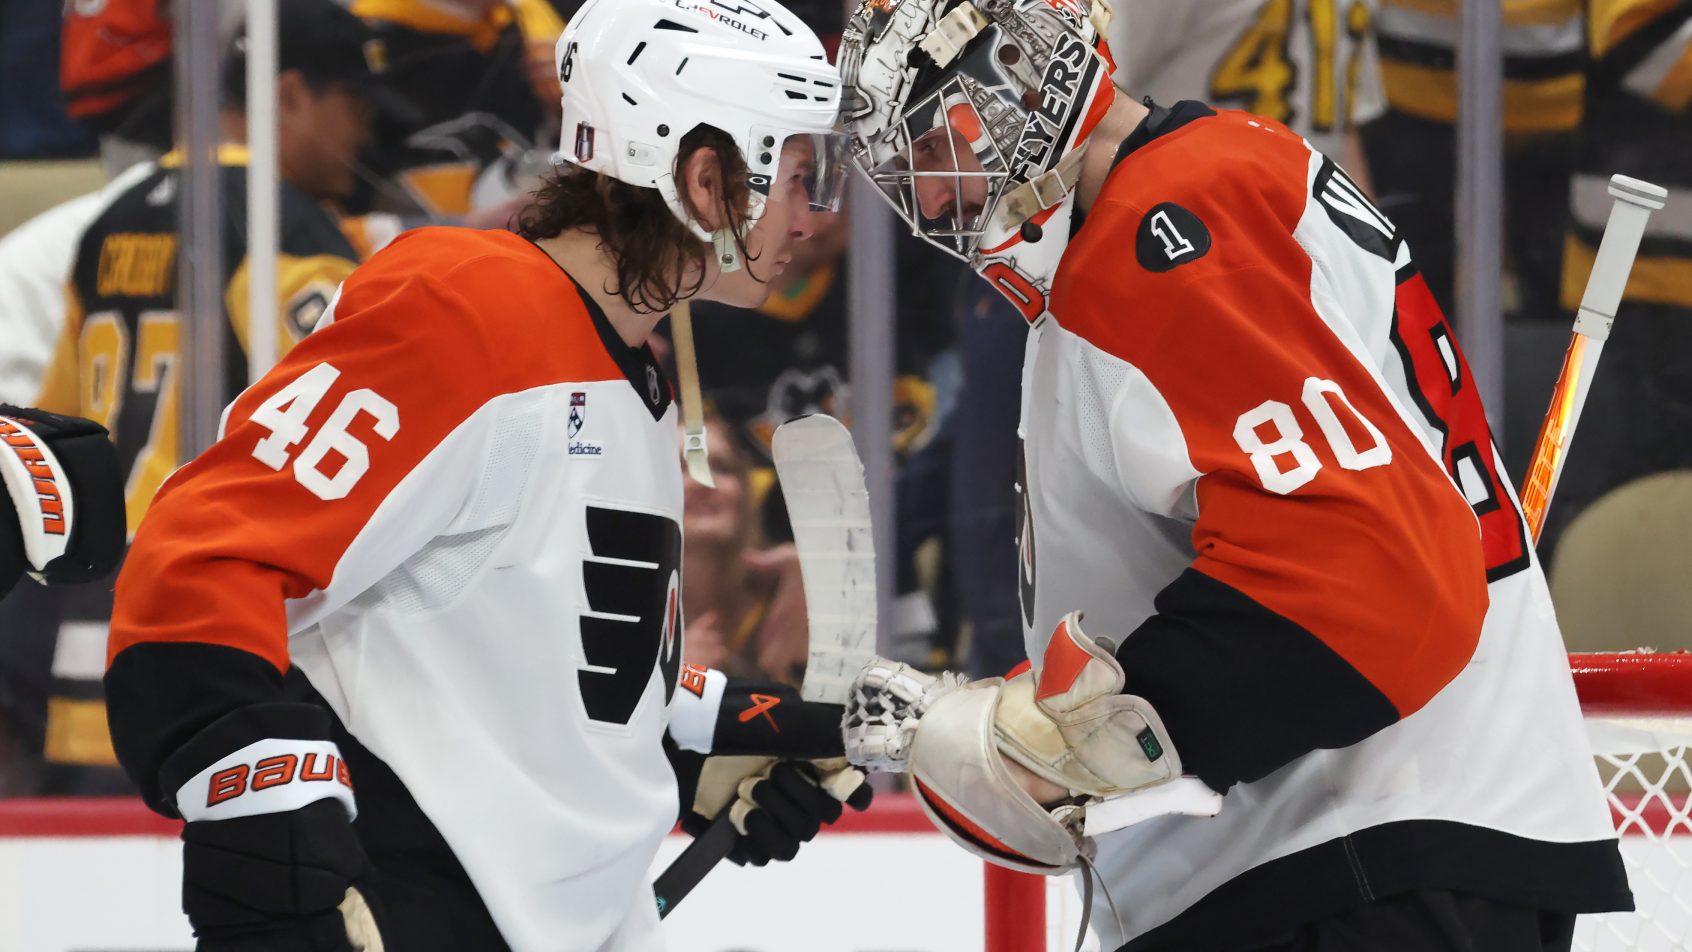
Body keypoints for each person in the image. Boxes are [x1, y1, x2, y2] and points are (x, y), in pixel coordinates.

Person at [836, 2, 1630, 950]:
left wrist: (1069, 747)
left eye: (933, 145)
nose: (927, 199)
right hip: (1393, 848)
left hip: (1348, 859)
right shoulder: (1222, 170)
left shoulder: (1160, 226)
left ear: (1013, 87)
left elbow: (1371, 574)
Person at [103, 0, 869, 949]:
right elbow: (200, 556)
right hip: (410, 905)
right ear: (707, 177)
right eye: (803, 175)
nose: (815, 213)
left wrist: (703, 748)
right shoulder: (466, 308)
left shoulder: (632, 372)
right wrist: (265, 826)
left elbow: (547, 666)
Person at [18, 0, 382, 794]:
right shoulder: (289, 231)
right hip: (215, 628)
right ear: (289, 95)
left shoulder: (108, 225)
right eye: (353, 105)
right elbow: (336, 448)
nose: (363, 136)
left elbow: (54, 433)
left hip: (93, 617)